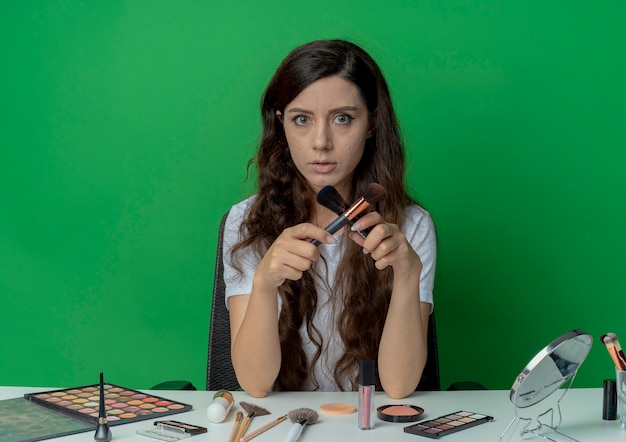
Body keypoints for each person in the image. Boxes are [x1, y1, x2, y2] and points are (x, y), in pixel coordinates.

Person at [223, 39, 436, 399]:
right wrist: (264, 283)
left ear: (371, 123)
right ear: (281, 123)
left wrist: (407, 274)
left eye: (342, 118)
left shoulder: (410, 226)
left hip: (369, 425)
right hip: (283, 421)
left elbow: (399, 387)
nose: (321, 142)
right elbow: (255, 383)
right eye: (302, 119)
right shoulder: (246, 221)